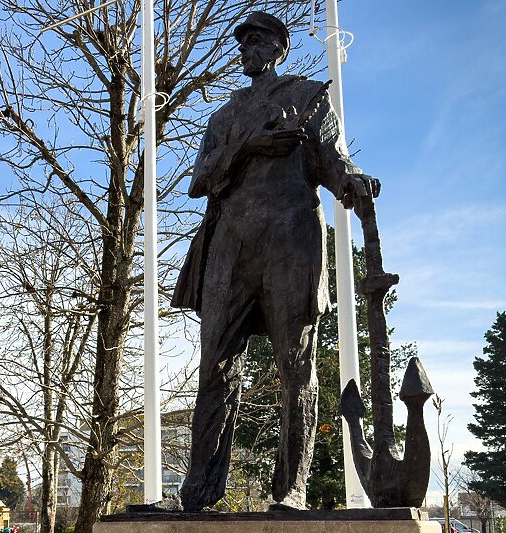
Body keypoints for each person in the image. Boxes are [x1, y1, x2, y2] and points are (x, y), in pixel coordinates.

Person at [171, 11, 379, 511]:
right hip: (230, 247)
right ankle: (199, 490)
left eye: (256, 39)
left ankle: (292, 488)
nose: (245, 48)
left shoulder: (309, 98)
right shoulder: (224, 117)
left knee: (295, 366)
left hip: (290, 243)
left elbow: (332, 157)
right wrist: (250, 145)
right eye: (241, 41)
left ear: (279, 48)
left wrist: (352, 178)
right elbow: (200, 180)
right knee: (214, 369)